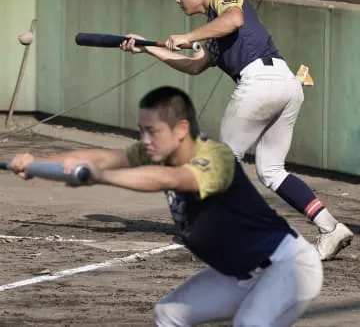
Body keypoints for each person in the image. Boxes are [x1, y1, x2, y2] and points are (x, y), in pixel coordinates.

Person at [11, 86, 322, 326]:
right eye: (141, 130)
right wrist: (35, 163)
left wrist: (103, 177)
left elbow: (171, 178)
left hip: (288, 267)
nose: (145, 140)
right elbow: (100, 157)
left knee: (251, 323)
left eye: (152, 132)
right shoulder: (156, 151)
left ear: (182, 129)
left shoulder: (216, 158)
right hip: (239, 275)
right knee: (169, 313)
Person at [119, 0, 353, 261]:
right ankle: (330, 227)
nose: (177, 0)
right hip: (284, 85)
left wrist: (190, 36)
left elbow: (234, 19)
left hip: (262, 82)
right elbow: (194, 65)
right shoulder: (213, 32)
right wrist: (147, 47)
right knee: (271, 171)